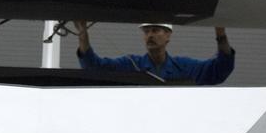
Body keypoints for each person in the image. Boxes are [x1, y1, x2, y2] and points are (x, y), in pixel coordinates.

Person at [73, 21, 235, 83]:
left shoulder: (185, 67)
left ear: (168, 35)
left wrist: (220, 34)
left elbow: (219, 70)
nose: (150, 35)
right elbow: (95, 68)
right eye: (146, 31)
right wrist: (82, 35)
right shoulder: (130, 64)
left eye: (155, 30)